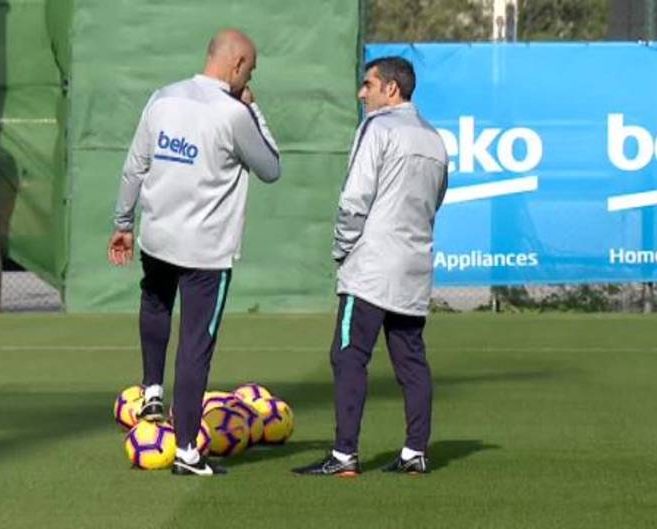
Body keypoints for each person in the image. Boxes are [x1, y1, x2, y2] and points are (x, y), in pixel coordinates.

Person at [108, 28, 281, 476]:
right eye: (251, 70)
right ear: (238, 65)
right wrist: (253, 107)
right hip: (206, 250)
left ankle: (151, 392)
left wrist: (123, 224)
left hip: (158, 237)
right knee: (196, 344)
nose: (250, 78)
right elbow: (271, 167)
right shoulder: (233, 113)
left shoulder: (162, 98)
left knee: (155, 304)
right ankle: (187, 451)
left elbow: (134, 167)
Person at [293, 56, 448, 477]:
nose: (362, 93)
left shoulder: (376, 128)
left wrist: (342, 248)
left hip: (371, 267)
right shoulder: (435, 139)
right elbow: (437, 199)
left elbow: (355, 198)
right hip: (414, 267)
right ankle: (415, 452)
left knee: (348, 356)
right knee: (411, 362)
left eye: (369, 84)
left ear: (391, 89)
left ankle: (344, 456)